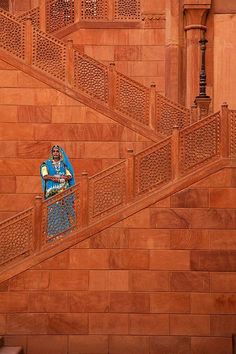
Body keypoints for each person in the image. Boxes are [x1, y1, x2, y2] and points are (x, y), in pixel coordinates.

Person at [40, 145, 76, 238]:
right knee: (53, 211)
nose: (55, 153)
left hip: (64, 191)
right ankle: (52, 234)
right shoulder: (46, 164)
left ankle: (65, 233)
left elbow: (69, 175)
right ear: (52, 153)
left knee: (64, 211)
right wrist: (56, 178)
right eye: (54, 151)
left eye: (57, 151)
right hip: (52, 192)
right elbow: (45, 176)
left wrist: (62, 178)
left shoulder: (64, 165)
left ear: (60, 153)